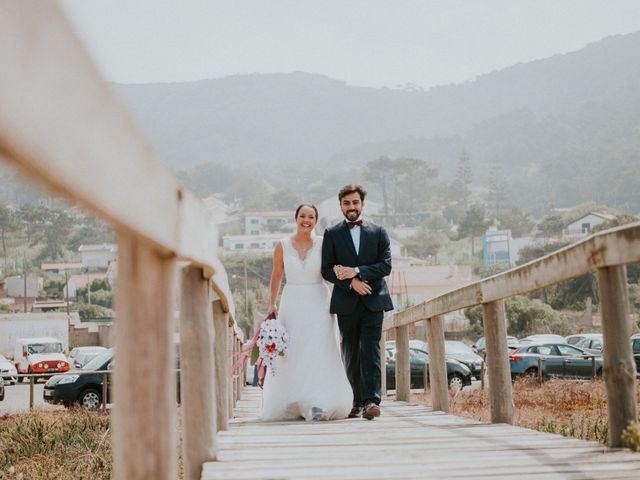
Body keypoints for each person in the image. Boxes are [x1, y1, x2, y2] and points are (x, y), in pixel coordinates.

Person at [261, 203, 353, 421]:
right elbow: (276, 275)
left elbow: (332, 268)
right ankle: (294, 400)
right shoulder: (282, 245)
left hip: (319, 302)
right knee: (293, 350)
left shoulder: (324, 243)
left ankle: (318, 402)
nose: (306, 220)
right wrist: (272, 304)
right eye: (302, 215)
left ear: (316, 220)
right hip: (292, 302)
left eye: (311, 216)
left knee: (319, 350)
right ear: (296, 218)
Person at [321, 184, 393, 420]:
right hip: (346, 302)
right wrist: (351, 283)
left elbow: (386, 265)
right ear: (341, 205)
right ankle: (354, 400)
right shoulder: (331, 234)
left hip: (374, 300)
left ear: (362, 204)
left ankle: (372, 401)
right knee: (350, 351)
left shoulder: (379, 231)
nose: (351, 207)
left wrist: (357, 271)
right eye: (346, 203)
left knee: (371, 350)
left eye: (355, 202)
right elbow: (327, 270)